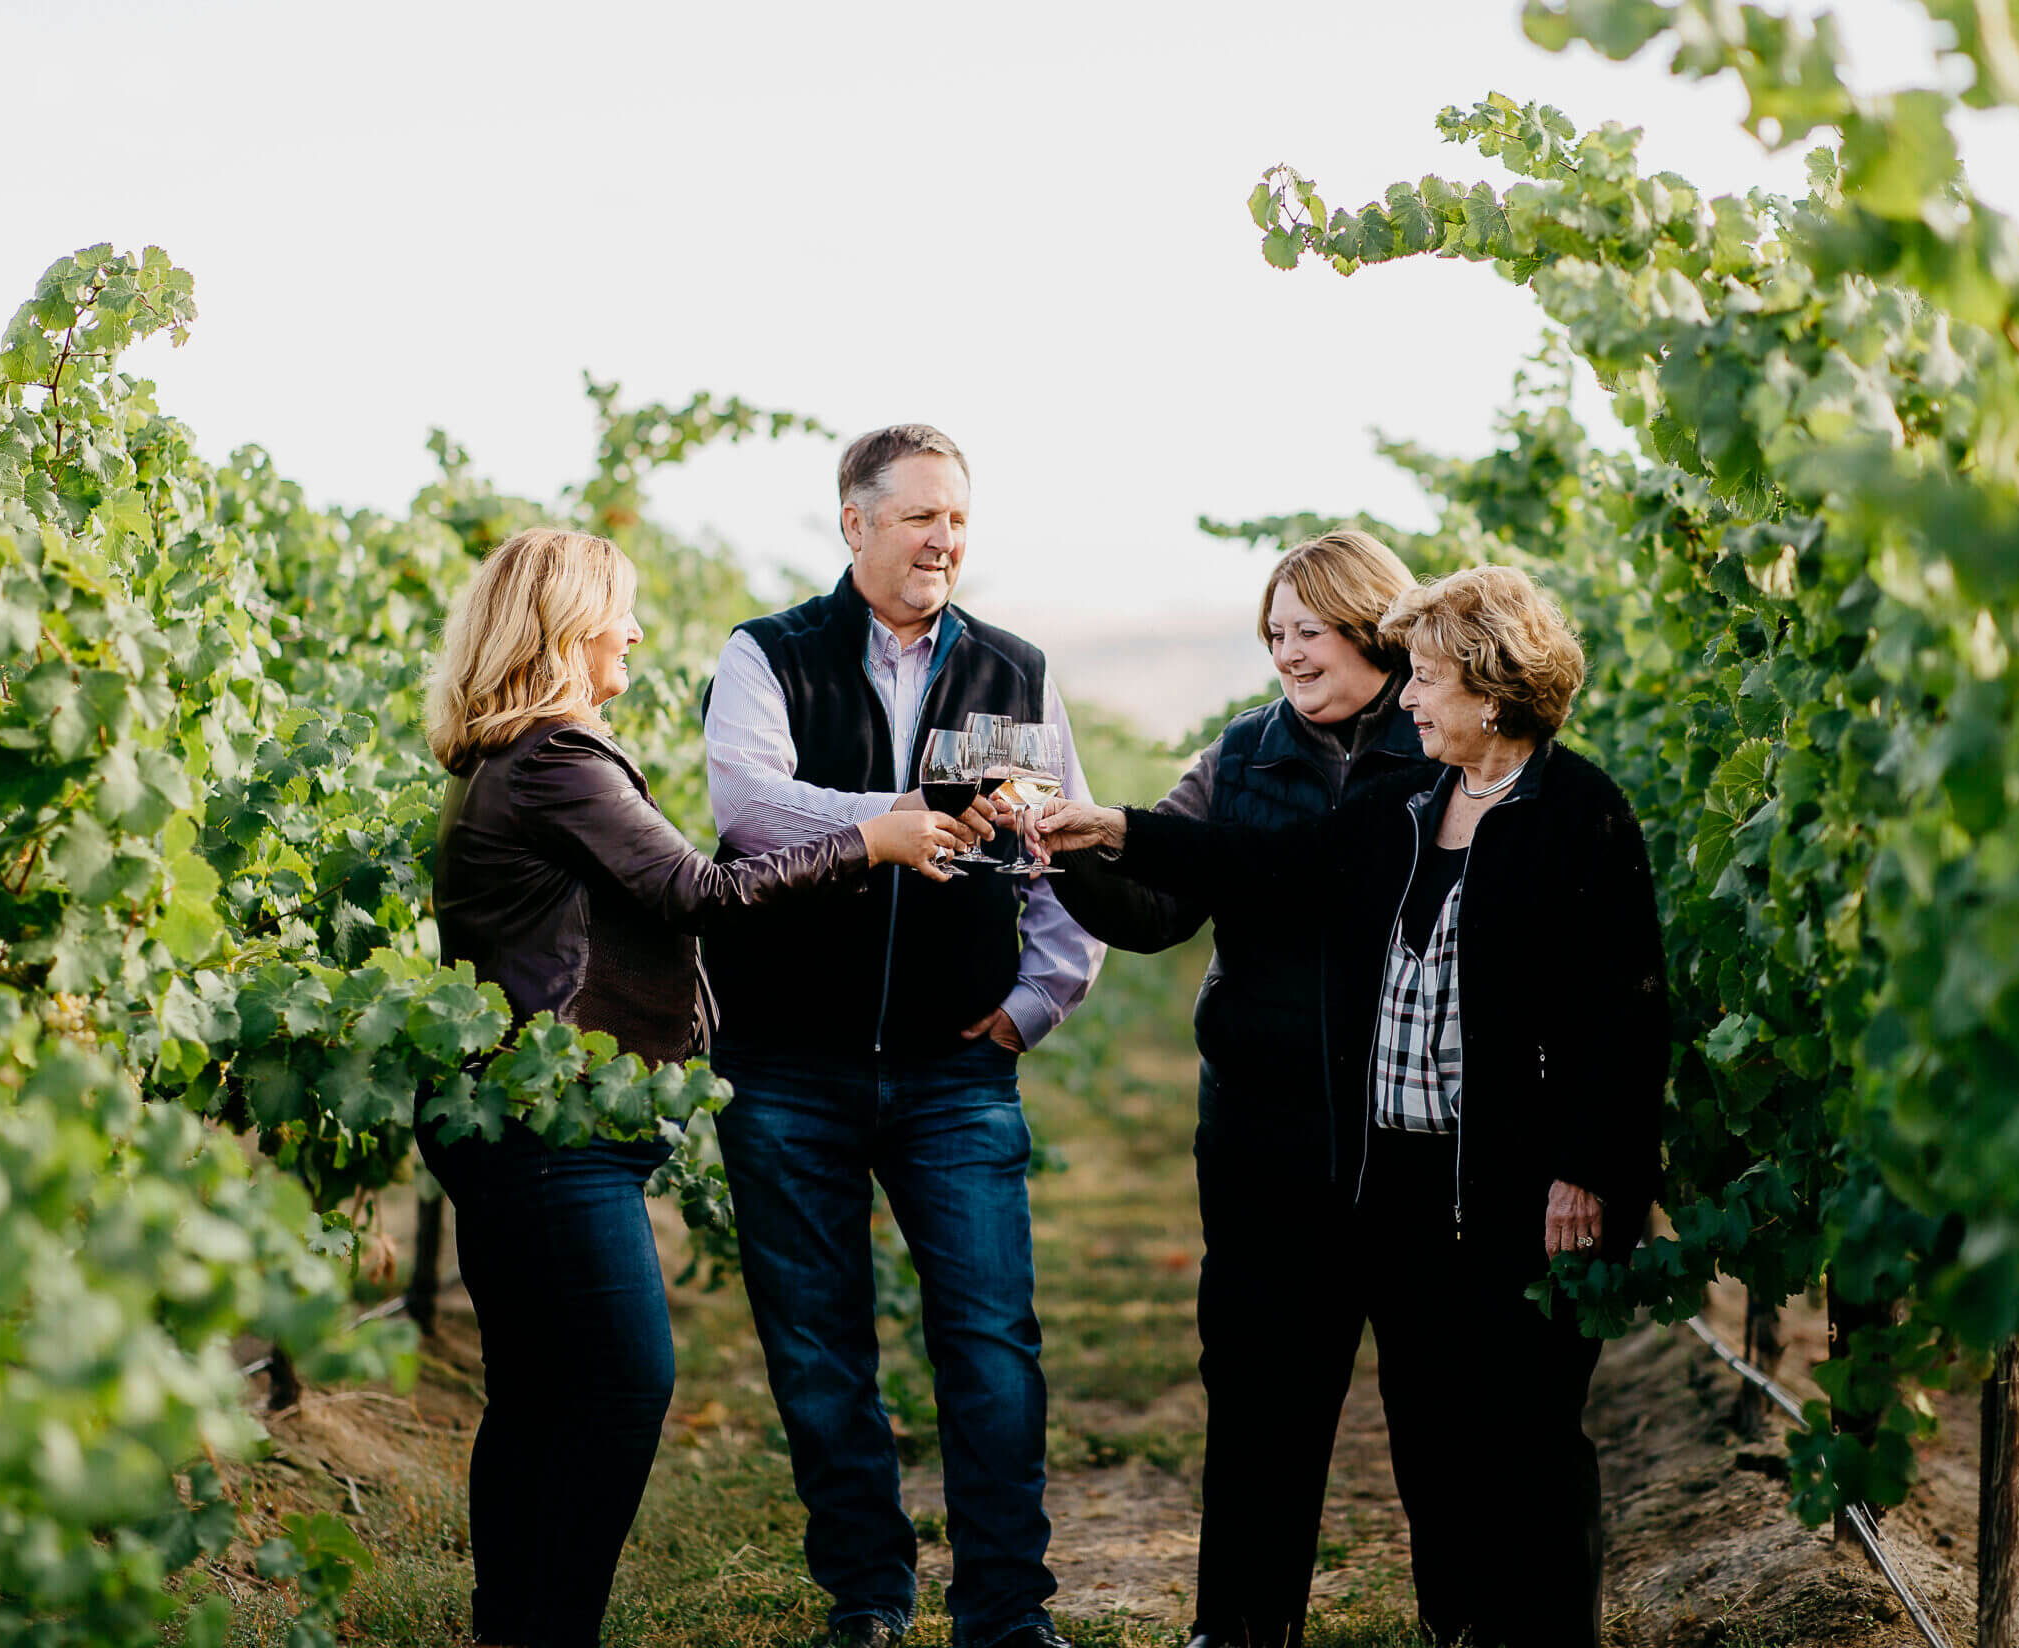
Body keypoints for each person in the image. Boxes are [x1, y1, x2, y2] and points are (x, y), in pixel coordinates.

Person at [1033, 565, 1668, 1648]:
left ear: (1480, 680)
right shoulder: (1381, 796)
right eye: (1271, 632)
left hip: (1491, 1175)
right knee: (1358, 1417)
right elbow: (1252, 864)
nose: (1408, 699)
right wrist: (1103, 833)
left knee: (1504, 1424)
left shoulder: (1562, 809)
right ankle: (1339, 1625)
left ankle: (1509, 1628)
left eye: (1424, 677)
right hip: (1353, 1165)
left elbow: (1625, 1007)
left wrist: (1592, 1164)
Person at [418, 527, 969, 1648]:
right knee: (622, 1387)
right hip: (553, 1124)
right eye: (619, 610)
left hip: (521, 1114)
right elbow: (697, 890)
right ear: (565, 627)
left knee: (532, 1397)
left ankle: (509, 1630)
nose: (633, 630)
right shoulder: (555, 760)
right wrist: (870, 839)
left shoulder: (507, 759)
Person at [699, 424, 1104, 1648]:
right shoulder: (767, 654)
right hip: (785, 1062)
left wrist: (1037, 1000)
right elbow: (750, 806)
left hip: (953, 1069)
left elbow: (1060, 851)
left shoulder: (1017, 672)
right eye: (921, 516)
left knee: (989, 1344)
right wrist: (900, 818)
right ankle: (868, 1594)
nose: (944, 539)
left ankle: (1004, 1608)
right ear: (854, 523)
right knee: (821, 1350)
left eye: (959, 520)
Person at [1043, 530, 1438, 1648]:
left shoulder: (1447, 738)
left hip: (1414, 1140)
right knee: (1262, 1392)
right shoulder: (1240, 753)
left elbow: (1304, 870)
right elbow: (1159, 909)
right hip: (1264, 1132)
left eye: (1306, 630)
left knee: (1436, 1405)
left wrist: (1134, 836)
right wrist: (1070, 855)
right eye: (1274, 635)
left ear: (1369, 625)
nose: (1287, 654)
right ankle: (1238, 1629)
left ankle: (1464, 1621)